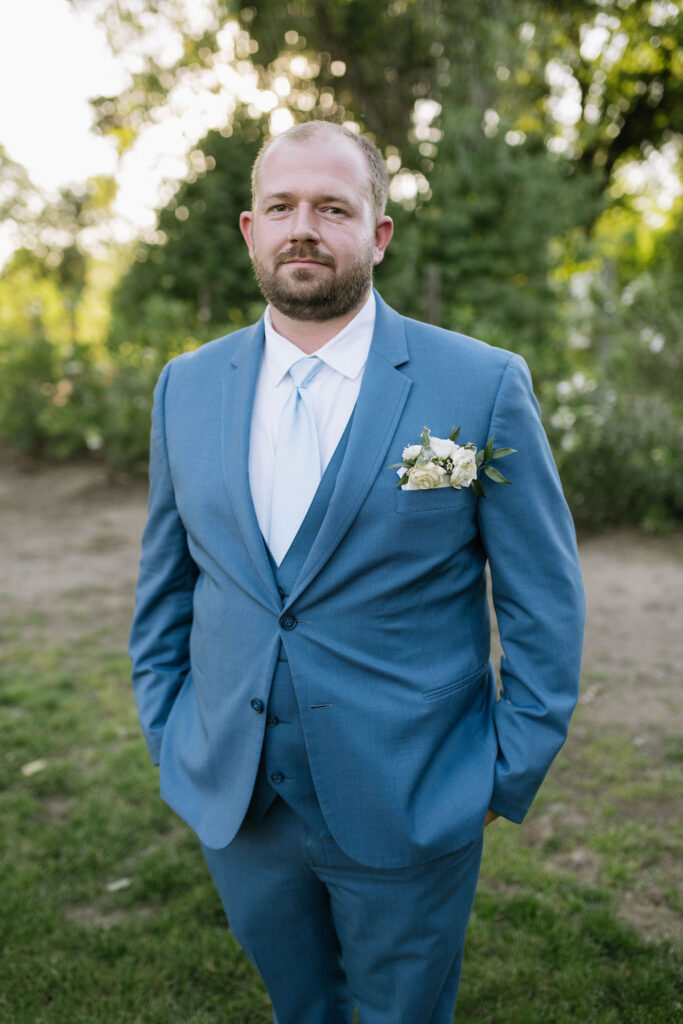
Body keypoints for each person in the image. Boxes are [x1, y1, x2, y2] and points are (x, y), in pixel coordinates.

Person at [130, 119, 585, 1024]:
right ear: (250, 230)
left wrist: (504, 769)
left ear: (376, 233)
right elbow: (166, 585)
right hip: (240, 797)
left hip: (413, 792)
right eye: (281, 206)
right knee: (298, 1009)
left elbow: (542, 598)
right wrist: (172, 731)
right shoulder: (187, 385)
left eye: (332, 207)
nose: (304, 226)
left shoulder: (477, 385)